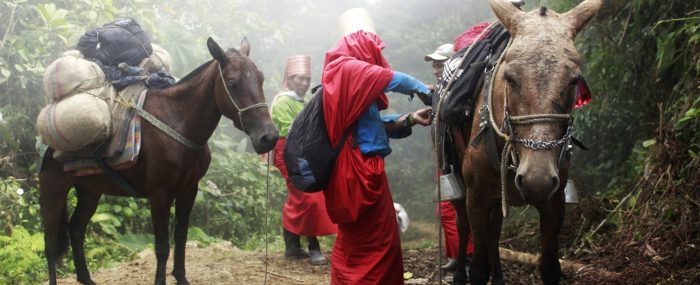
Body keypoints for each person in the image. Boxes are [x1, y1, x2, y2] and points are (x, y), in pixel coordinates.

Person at [321, 8, 434, 285]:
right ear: (360, 42)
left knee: (364, 241)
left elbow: (369, 124)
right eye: (370, 41)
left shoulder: (346, 78)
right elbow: (395, 79)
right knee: (376, 244)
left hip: (357, 168)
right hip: (357, 171)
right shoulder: (345, 68)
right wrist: (428, 91)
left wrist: (408, 119)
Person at [270, 55, 337, 265]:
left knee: (298, 198)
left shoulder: (304, 101)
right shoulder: (282, 102)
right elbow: (291, 130)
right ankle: (313, 246)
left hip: (306, 152)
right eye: (300, 78)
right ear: (289, 79)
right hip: (288, 154)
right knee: (308, 196)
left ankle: (292, 246)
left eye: (308, 78)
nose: (305, 83)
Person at [424, 43, 475, 272]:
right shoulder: (442, 90)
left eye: (440, 64)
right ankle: (457, 254)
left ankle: (467, 256)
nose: (436, 69)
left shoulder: (462, 91)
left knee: (454, 209)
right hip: (445, 159)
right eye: (435, 65)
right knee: (445, 209)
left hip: (457, 160)